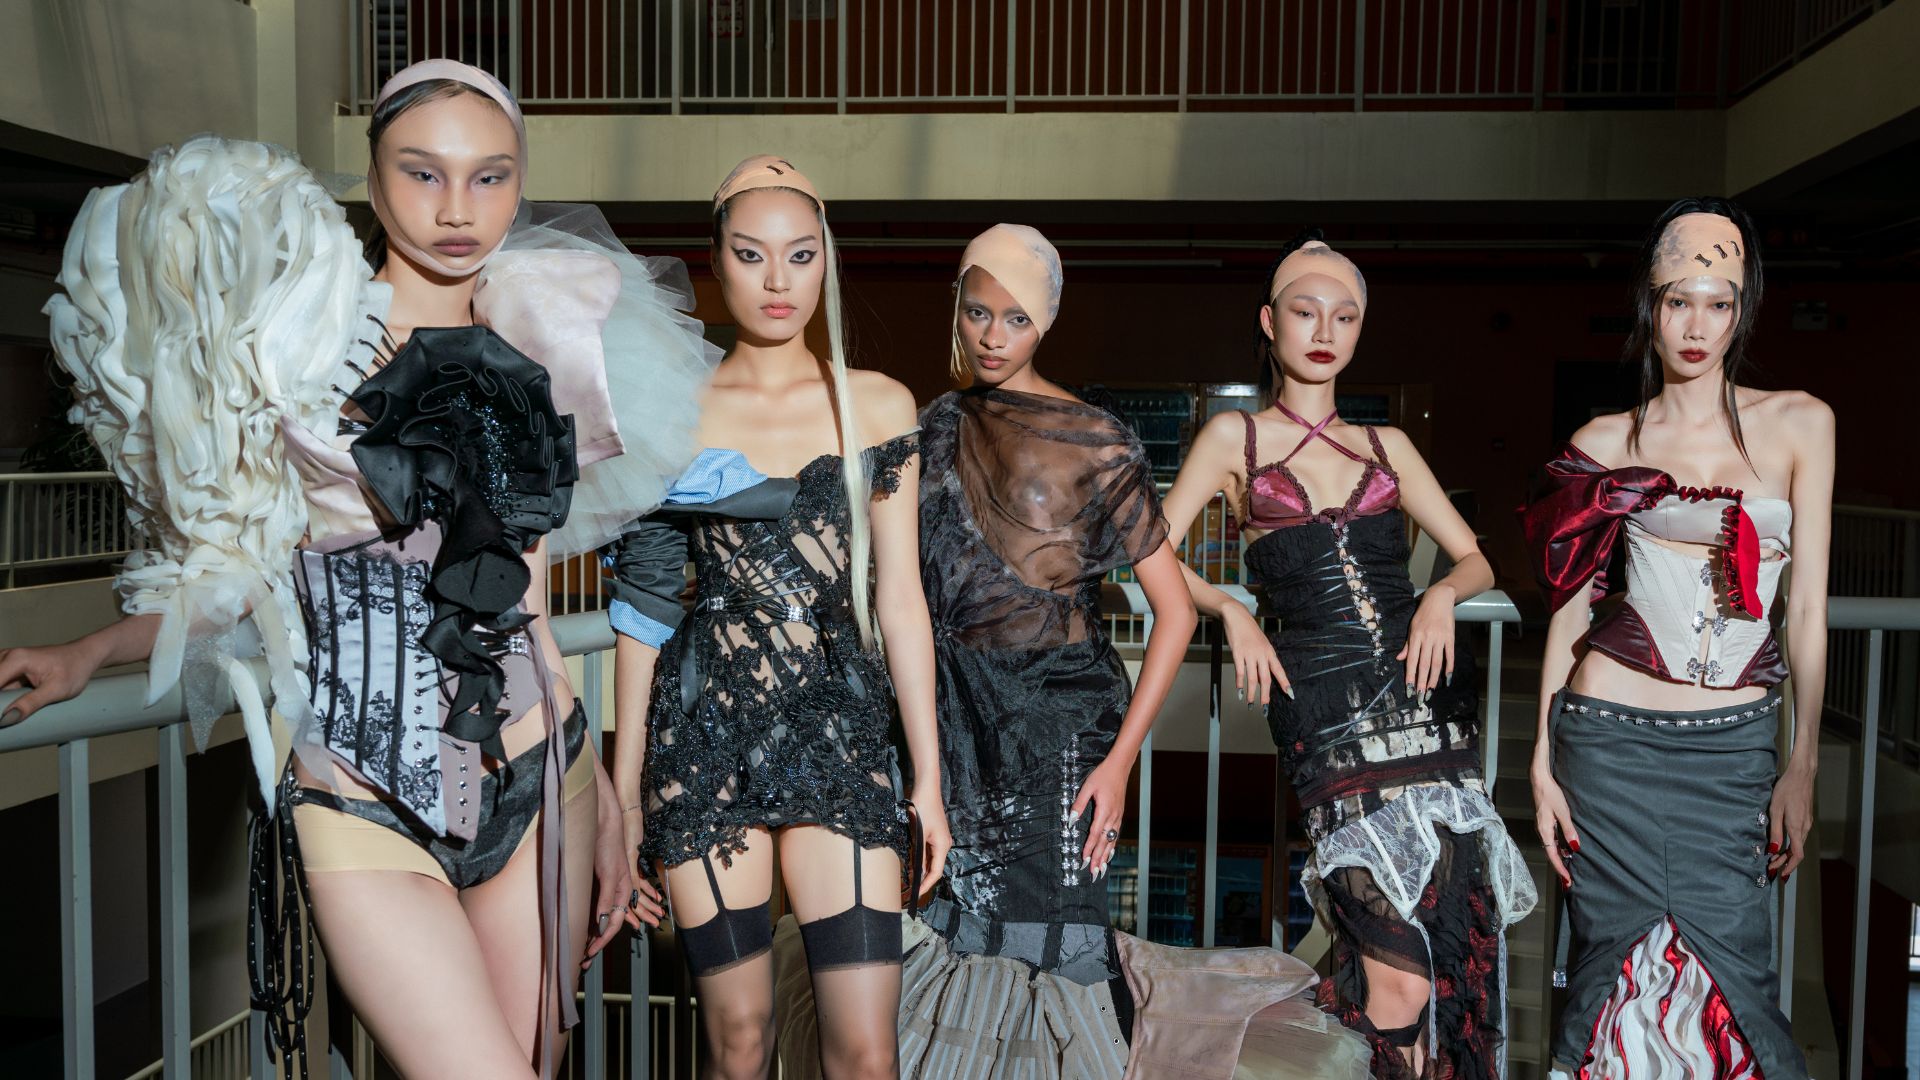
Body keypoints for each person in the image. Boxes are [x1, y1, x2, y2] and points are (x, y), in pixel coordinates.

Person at [0, 60, 715, 1079]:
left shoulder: (545, 330)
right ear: (372, 177)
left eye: (491, 176)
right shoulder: (291, 349)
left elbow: (526, 600)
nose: (458, 208)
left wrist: (598, 795)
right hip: (359, 796)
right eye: (423, 172)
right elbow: (231, 569)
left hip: (543, 774)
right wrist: (91, 652)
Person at [776, 224, 1372, 1080]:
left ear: (1047, 322)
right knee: (961, 940)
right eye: (978, 312)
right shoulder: (928, 426)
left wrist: (1120, 763)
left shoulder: (1097, 439)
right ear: (957, 308)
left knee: (1054, 947)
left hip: (1063, 733)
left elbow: (1174, 612)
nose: (993, 336)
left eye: (1017, 318)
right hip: (957, 724)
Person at [603, 156, 952, 1080]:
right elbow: (643, 604)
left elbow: (901, 600)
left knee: (867, 1053)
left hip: (839, 729)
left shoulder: (877, 403)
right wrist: (623, 793)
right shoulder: (670, 408)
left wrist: (928, 778)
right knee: (740, 1043)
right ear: (715, 261)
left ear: (825, 262)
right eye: (751, 254)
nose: (777, 280)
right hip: (704, 735)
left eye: (800, 255)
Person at [1160, 233, 1536, 1077]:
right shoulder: (1234, 437)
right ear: (1270, 322)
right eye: (1305, 311)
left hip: (1427, 704)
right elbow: (1147, 548)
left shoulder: (1387, 444)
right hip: (1326, 716)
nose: (1324, 330)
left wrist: (1440, 595)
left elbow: (1475, 559)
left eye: (1345, 316)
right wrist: (1229, 608)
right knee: (1396, 978)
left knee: (1445, 949)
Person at [1520, 198, 1827, 1078]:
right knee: (1609, 984)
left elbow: (1807, 610)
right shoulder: (1603, 440)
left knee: (1737, 986)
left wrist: (1802, 762)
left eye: (1718, 302)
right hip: (1607, 746)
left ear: (1744, 308)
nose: (1697, 326)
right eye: (1678, 301)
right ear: (1648, 306)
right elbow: (1572, 610)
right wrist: (1541, 759)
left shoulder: (1802, 423)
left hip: (1733, 751)